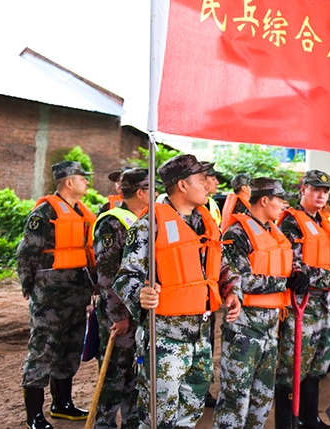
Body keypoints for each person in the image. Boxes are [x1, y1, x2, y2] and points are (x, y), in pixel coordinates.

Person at [113, 154, 242, 429]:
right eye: (201, 179)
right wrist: (141, 294)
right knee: (158, 419)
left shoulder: (206, 223)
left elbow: (223, 266)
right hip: (164, 339)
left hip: (200, 338)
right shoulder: (150, 225)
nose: (208, 185)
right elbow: (126, 278)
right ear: (182, 185)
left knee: (190, 415)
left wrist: (232, 291)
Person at [216, 177, 307, 429]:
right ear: (264, 200)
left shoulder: (273, 230)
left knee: (262, 398)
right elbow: (239, 279)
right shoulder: (237, 232)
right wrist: (284, 282)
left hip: (270, 327)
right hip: (245, 325)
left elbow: (288, 262)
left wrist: (298, 272)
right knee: (236, 397)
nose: (283, 204)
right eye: (279, 199)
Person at [17, 161, 96, 429]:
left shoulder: (82, 212)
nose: (86, 182)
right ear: (68, 182)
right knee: (43, 351)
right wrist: (29, 286)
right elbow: (26, 252)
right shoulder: (44, 212)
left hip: (77, 294)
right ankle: (34, 417)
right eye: (82, 178)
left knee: (69, 350)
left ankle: (62, 405)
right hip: (49, 297)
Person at [276, 170, 330, 429]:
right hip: (300, 307)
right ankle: (287, 423)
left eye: (325, 191)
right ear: (303, 189)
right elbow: (292, 264)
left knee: (317, 365)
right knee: (292, 367)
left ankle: (309, 417)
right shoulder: (290, 223)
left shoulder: (325, 224)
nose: (321, 195)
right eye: (316, 189)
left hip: (325, 305)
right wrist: (328, 276)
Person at [91, 168, 152, 429]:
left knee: (134, 372)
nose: (157, 194)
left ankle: (131, 421)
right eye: (152, 189)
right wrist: (119, 315)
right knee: (114, 373)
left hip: (138, 311)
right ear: (140, 192)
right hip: (119, 314)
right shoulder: (112, 223)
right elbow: (106, 275)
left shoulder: (145, 219)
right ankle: (104, 423)